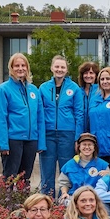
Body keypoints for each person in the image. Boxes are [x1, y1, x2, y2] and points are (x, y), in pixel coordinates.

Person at [0, 52, 45, 181]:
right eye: (17, 65)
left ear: (27, 68)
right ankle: (7, 201)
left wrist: (41, 143)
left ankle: (24, 201)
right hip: (13, 140)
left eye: (23, 65)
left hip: (31, 140)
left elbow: (40, 117)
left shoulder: (34, 90)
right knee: (10, 178)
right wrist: (3, 144)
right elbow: (0, 118)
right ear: (11, 68)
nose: (20, 68)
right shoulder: (3, 89)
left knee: (25, 179)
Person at [38, 55, 83, 196]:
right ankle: (47, 200)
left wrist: (77, 138)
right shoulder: (44, 88)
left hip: (67, 134)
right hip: (48, 133)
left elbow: (79, 114)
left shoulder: (74, 88)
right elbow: (39, 114)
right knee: (47, 170)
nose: (59, 69)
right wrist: (40, 138)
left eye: (62, 67)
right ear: (52, 68)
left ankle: (65, 200)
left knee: (67, 169)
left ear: (66, 69)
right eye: (57, 66)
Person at [57, 133, 110, 205]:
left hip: (95, 199)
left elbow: (109, 184)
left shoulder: (103, 165)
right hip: (74, 198)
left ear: (94, 147)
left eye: (90, 145)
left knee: (107, 213)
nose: (87, 147)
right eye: (84, 144)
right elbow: (64, 183)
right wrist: (64, 193)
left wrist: (109, 176)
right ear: (79, 147)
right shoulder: (69, 165)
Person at [77, 61, 100, 133]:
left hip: (97, 130)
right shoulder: (78, 92)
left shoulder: (101, 91)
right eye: (85, 73)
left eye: (91, 73)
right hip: (81, 130)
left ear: (96, 75)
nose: (88, 75)